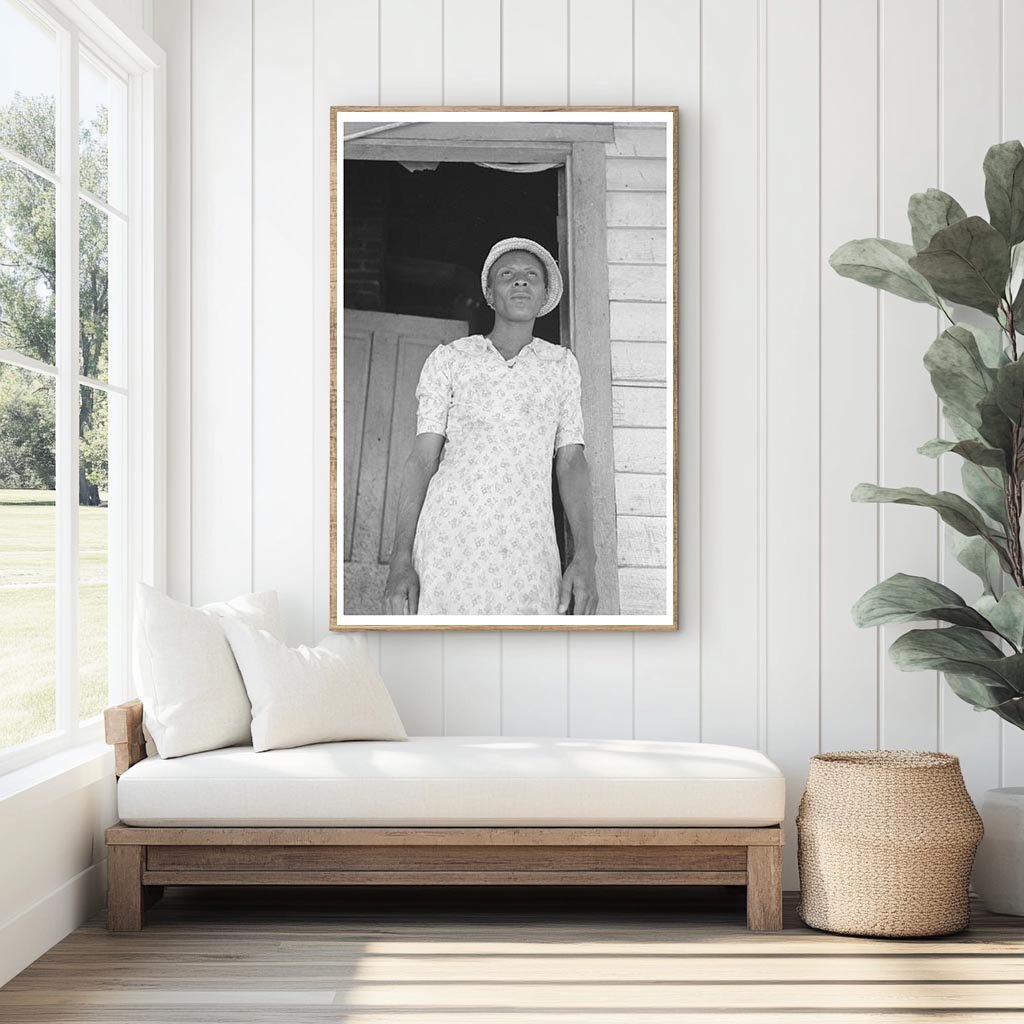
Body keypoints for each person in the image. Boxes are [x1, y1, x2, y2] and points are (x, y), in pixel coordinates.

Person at [382, 237, 599, 615]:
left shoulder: (561, 365)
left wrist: (586, 556)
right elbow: (421, 460)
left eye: (531, 275)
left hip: (527, 547)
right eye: (507, 274)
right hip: (448, 541)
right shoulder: (451, 359)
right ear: (490, 294)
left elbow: (571, 462)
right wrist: (400, 560)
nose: (520, 281)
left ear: (545, 294)